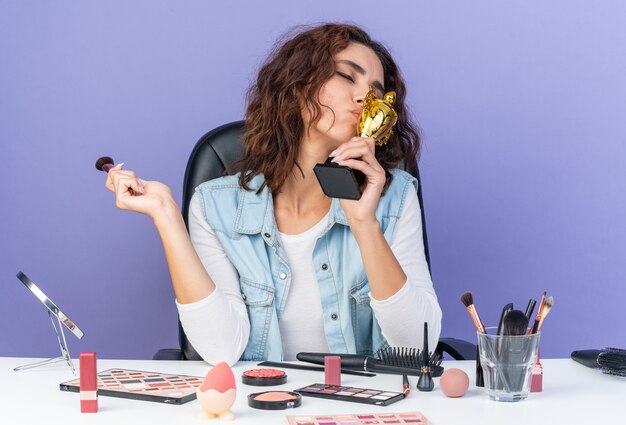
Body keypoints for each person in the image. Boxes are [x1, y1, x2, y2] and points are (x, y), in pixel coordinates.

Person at [105, 23, 442, 365]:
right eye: (346, 76)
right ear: (297, 84)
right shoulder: (215, 207)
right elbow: (221, 349)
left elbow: (418, 348)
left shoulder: (394, 196)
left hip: (360, 406)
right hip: (260, 404)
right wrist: (165, 215)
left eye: (375, 91)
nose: (362, 98)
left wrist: (364, 225)